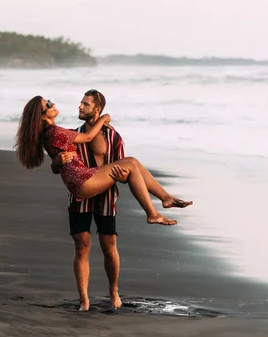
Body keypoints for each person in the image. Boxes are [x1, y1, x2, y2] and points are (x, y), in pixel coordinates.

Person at [15, 94, 192, 309]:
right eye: (49, 105)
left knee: (110, 244)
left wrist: (120, 173)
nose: (79, 106)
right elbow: (77, 147)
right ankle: (84, 300)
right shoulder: (67, 132)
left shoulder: (111, 137)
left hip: (102, 192)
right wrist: (56, 162)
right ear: (42, 116)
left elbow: (127, 173)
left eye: (85, 104)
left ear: (96, 108)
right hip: (83, 189)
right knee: (82, 248)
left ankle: (114, 291)